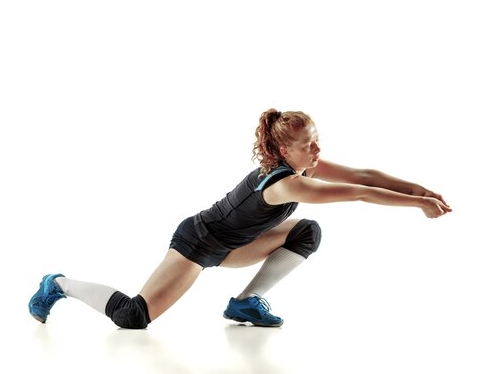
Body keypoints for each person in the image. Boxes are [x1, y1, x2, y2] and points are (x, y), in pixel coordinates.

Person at [28, 108, 452, 329]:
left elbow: (363, 174)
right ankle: (58, 284)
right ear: (285, 151)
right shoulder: (288, 183)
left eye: (318, 140)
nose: (317, 151)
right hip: (198, 244)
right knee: (133, 318)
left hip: (235, 246)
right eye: (309, 145)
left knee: (305, 232)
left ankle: (245, 303)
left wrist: (421, 190)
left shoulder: (303, 166)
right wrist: (416, 205)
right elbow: (358, 192)